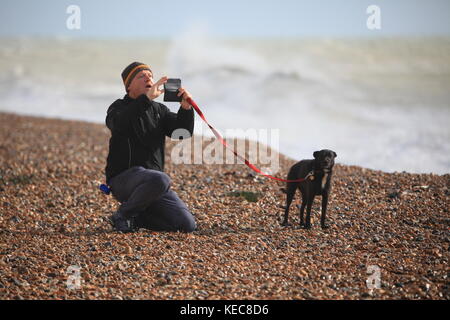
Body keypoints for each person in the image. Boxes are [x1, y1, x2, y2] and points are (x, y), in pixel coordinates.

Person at [105, 62, 196, 233]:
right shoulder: (118, 107)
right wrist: (145, 99)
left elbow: (181, 134)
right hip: (123, 179)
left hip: (154, 184)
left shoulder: (159, 110)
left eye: (150, 75)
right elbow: (118, 125)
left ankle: (137, 218)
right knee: (160, 178)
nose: (148, 78)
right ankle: (123, 214)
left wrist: (185, 108)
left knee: (186, 225)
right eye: (141, 76)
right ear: (129, 86)